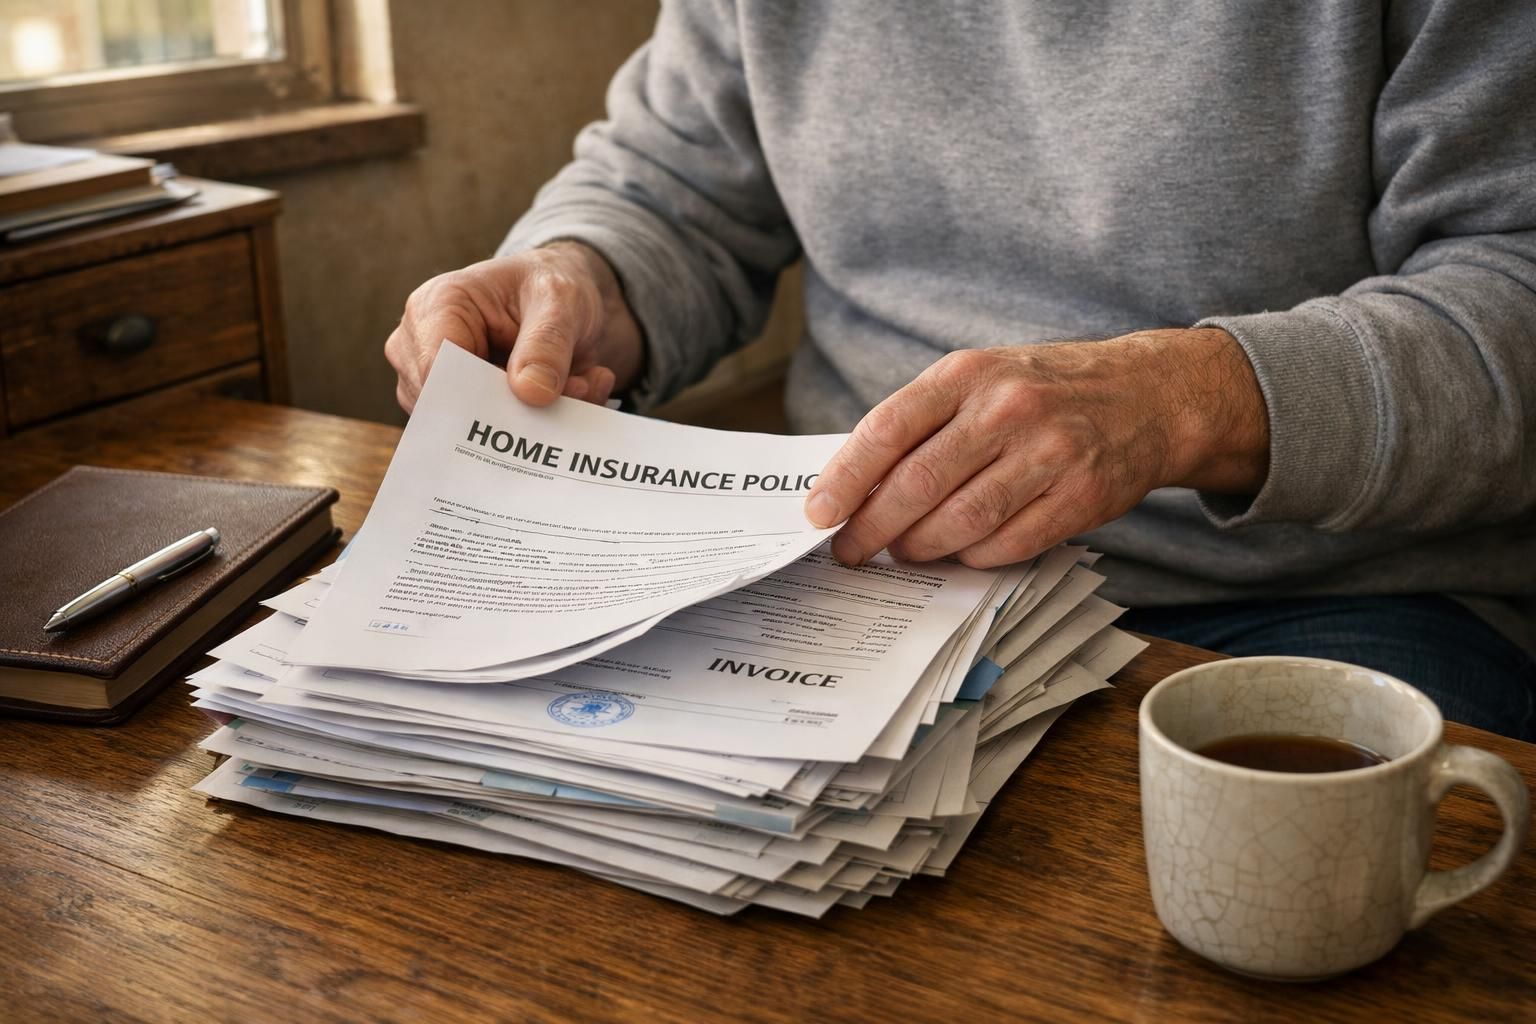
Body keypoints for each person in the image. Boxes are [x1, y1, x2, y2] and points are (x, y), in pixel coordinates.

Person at [386, 1, 1536, 739]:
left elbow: (1514, 278)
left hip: (1323, 596)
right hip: (851, 568)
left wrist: (1187, 400)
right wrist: (576, 278)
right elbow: (670, 189)